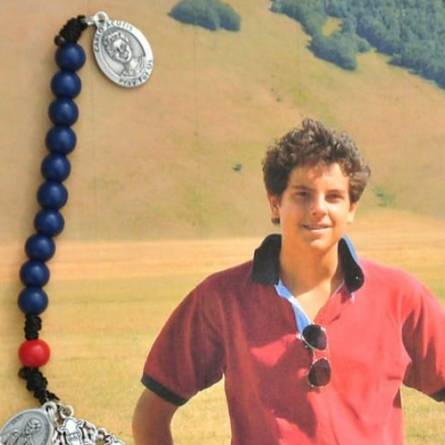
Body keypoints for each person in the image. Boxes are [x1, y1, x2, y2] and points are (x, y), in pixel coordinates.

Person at [132, 119, 445, 445]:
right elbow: (151, 415)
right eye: (302, 195)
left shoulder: (400, 297)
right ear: (275, 203)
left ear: (351, 208)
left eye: (334, 197)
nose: (318, 209)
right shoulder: (222, 299)